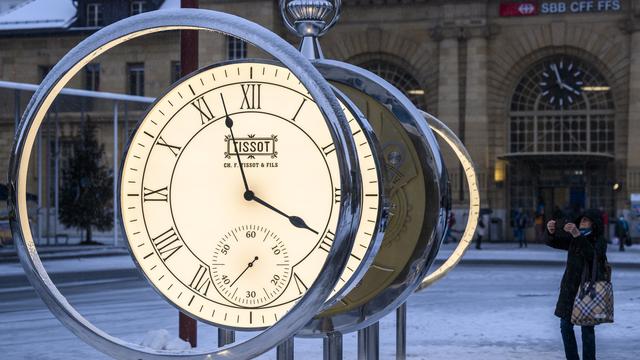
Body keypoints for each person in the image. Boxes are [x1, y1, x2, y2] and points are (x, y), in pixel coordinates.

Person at [546, 209, 608, 360]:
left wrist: (577, 235)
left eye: (586, 220)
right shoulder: (574, 238)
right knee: (565, 327)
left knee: (587, 329)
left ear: (594, 224)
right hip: (570, 289)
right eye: (581, 221)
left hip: (589, 290)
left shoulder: (599, 240)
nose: (582, 223)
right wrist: (551, 232)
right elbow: (554, 242)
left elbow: (592, 255)